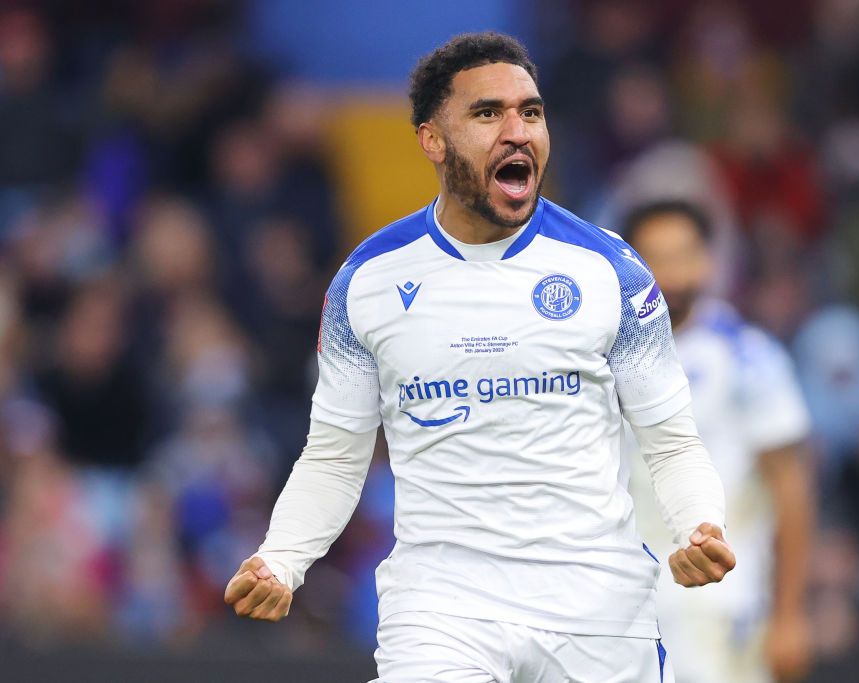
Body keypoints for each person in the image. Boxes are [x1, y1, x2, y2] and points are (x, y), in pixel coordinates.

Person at [223, 33, 734, 682]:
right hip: (442, 606)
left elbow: (672, 442)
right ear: (432, 139)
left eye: (532, 111)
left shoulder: (613, 271)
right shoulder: (369, 281)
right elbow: (334, 456)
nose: (517, 130)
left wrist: (698, 526)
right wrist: (283, 557)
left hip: (594, 603)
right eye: (488, 113)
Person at [623, 200, 815, 683]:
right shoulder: (601, 356)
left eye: (683, 254)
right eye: (654, 257)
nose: (670, 271)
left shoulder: (748, 357)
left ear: (707, 260)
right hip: (625, 605)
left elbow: (791, 490)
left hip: (724, 603)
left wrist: (790, 615)